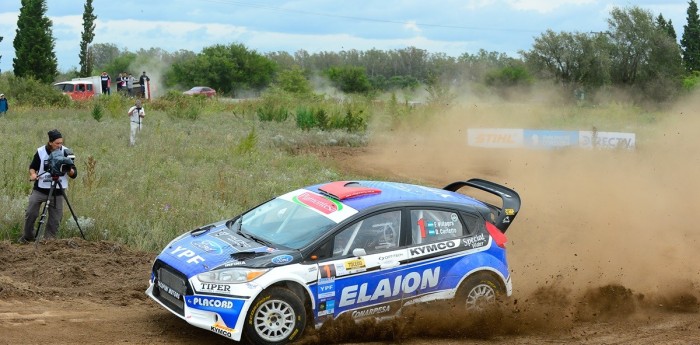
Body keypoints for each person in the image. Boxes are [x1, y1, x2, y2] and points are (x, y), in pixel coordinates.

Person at [19, 129, 78, 243]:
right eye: (57, 143)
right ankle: (28, 237)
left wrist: (68, 168)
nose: (59, 145)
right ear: (50, 142)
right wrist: (33, 174)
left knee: (55, 219)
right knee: (31, 213)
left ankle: (49, 242)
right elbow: (32, 166)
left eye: (61, 143)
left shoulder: (67, 152)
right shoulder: (41, 151)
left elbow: (74, 174)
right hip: (40, 190)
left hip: (58, 192)